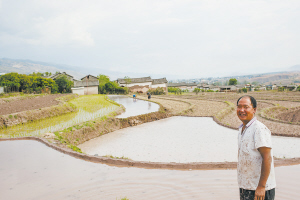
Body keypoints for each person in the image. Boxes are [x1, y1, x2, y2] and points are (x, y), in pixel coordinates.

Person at [236, 95, 276, 200]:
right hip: (246, 186)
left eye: (246, 107)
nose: (242, 110)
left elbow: (267, 157)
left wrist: (261, 186)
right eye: (239, 107)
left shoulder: (259, 129)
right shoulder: (242, 129)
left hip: (260, 189)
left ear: (254, 110)